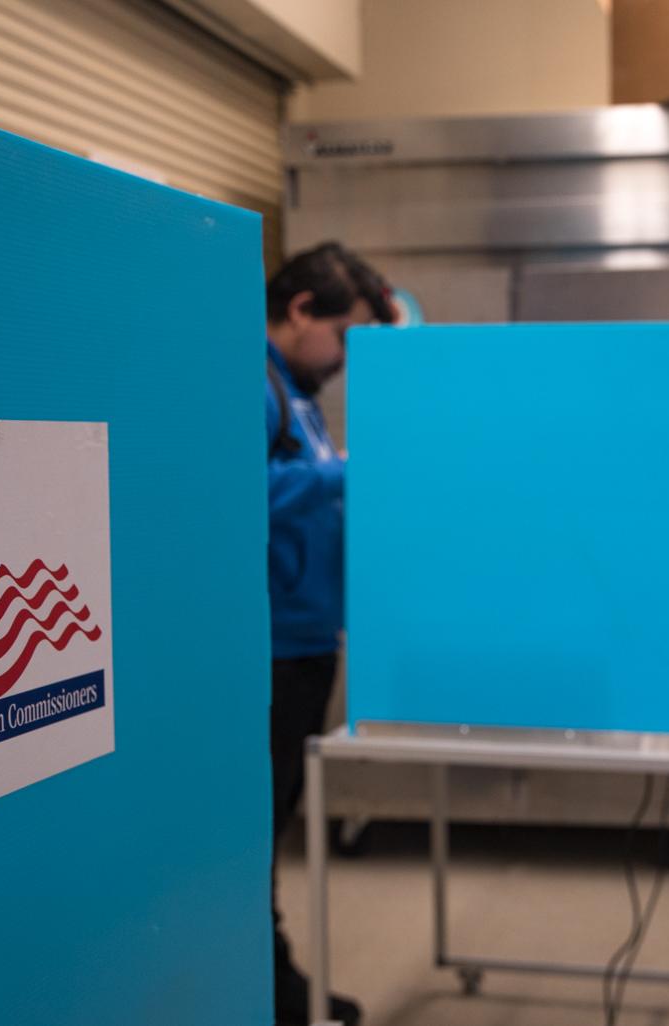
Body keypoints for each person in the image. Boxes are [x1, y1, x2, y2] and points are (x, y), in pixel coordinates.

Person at [264, 242, 393, 1026]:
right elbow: (236, 492)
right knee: (258, 834)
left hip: (309, 640)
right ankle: (274, 998)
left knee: (273, 826)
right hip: (273, 649)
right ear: (302, 309)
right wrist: (350, 470)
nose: (345, 359)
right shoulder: (251, 383)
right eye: (345, 336)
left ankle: (280, 989)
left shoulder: (297, 392)